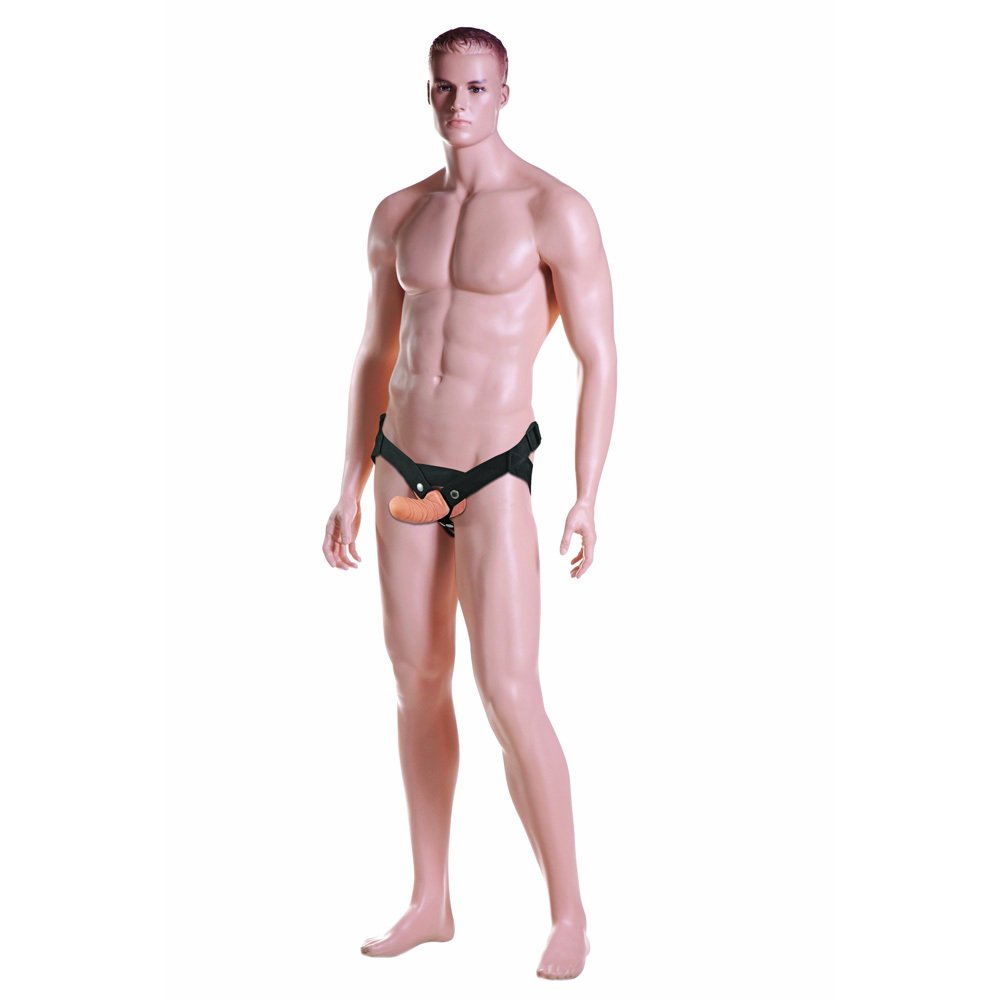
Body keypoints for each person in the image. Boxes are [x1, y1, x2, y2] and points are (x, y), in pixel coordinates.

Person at [322, 26, 616, 980]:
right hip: (402, 465)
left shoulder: (554, 211)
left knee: (510, 689)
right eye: (445, 88)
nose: (460, 105)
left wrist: (587, 494)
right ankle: (430, 900)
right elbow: (376, 352)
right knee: (415, 681)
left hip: (493, 473)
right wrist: (347, 482)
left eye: (478, 88)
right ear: (429, 94)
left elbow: (600, 357)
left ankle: (568, 914)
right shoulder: (399, 214)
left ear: (505, 92)